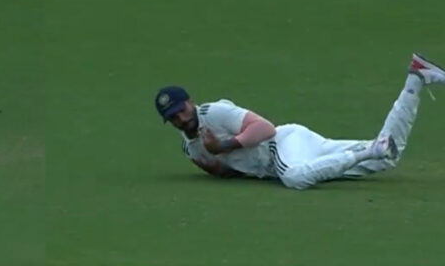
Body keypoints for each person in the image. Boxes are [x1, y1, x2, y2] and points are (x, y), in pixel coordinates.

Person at [155, 53, 444, 189]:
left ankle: (371, 150)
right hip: (288, 156)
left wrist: (223, 146)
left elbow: (264, 128)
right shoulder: (190, 149)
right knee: (387, 158)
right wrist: (216, 168)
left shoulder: (214, 112)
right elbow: (228, 172)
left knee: (294, 177)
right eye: (173, 117)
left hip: (281, 144)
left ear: (190, 102)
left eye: (181, 110)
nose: (180, 118)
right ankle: (416, 78)